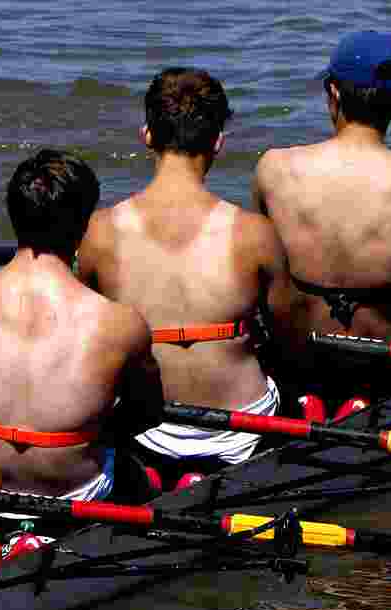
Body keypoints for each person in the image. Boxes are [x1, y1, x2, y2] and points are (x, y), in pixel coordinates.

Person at [76, 68, 298, 483]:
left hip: (147, 431)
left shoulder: (98, 232)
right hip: (243, 432)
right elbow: (290, 338)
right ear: (218, 142)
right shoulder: (255, 233)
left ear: (146, 135)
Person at [251, 31, 391, 418]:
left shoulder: (273, 168)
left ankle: (309, 403)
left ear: (334, 91)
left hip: (302, 360)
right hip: (382, 366)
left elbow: (258, 277)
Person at [0, 150, 162, 502]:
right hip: (77, 493)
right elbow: (147, 411)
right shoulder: (120, 323)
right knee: (133, 470)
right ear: (84, 225)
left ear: (14, 215)